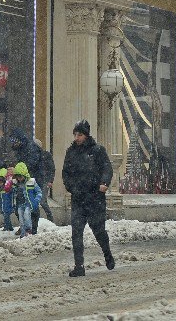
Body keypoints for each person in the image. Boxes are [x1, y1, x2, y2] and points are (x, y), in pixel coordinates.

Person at [62, 119, 115, 277]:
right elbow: (66, 173)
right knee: (76, 233)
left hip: (94, 198)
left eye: (80, 134)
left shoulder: (97, 150)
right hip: (78, 199)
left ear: (86, 135)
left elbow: (107, 167)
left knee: (99, 231)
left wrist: (104, 183)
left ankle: (107, 254)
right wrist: (71, 187)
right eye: (75, 134)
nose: (76, 137)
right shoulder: (70, 152)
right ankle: (79, 266)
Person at [12, 162, 42, 238]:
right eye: (17, 177)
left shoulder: (31, 181)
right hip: (20, 204)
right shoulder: (15, 183)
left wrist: (36, 201)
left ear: (24, 175)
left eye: (20, 176)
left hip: (29, 204)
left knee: (27, 215)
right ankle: (23, 234)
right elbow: (10, 190)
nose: (19, 178)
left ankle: (29, 230)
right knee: (21, 220)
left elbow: (39, 192)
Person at [33, 138, 55, 223]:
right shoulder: (32, 157)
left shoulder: (46, 155)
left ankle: (50, 219)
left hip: (45, 180)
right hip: (35, 180)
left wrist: (50, 180)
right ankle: (34, 221)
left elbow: (51, 168)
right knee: (34, 202)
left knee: (42, 201)